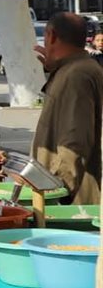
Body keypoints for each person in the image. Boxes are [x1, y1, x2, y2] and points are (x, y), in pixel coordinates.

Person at [32, 12, 103, 205]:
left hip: (72, 202)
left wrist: (57, 189)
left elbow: (75, 141)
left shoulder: (77, 74)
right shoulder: (72, 69)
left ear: (52, 36)